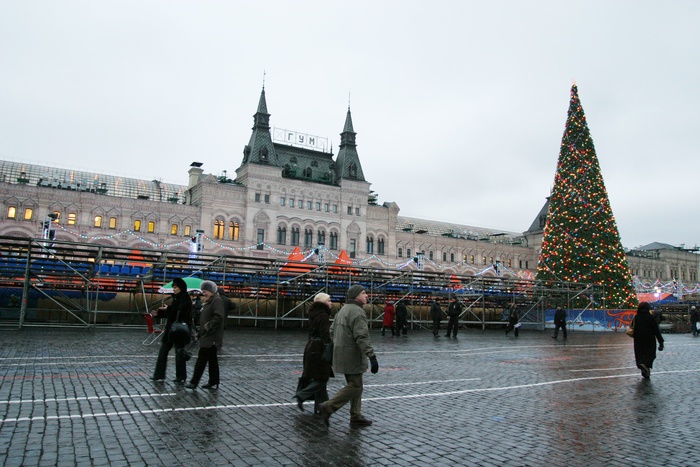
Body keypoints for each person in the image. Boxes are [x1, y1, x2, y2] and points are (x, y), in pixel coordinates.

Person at [319, 285, 379, 428]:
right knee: (355, 385)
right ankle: (329, 406)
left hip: (341, 354)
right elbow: (362, 336)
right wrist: (372, 356)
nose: (366, 296)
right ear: (355, 296)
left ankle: (356, 415)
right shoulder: (357, 312)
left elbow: (332, 330)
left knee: (357, 384)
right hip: (352, 355)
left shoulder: (343, 310)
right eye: (363, 293)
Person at [294, 292, 335, 413]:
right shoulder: (323, 315)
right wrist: (330, 346)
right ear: (323, 302)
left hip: (311, 347)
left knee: (320, 378)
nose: (331, 302)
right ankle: (302, 395)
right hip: (319, 348)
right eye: (329, 300)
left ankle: (321, 407)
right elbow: (325, 334)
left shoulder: (313, 313)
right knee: (322, 378)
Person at [152, 277, 193, 384]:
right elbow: (171, 313)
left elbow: (181, 313)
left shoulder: (186, 299)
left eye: (175, 287)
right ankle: (158, 374)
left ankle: (181, 376)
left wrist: (168, 309)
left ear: (181, 288)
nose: (174, 289)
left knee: (179, 353)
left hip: (179, 331)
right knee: (163, 351)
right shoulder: (176, 298)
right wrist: (159, 314)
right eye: (173, 287)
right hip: (171, 330)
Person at [186, 280, 225, 389]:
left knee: (201, 360)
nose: (204, 293)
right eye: (203, 291)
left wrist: (208, 326)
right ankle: (214, 380)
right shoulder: (210, 301)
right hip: (207, 334)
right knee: (212, 360)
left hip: (211, 336)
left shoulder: (216, 301)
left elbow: (219, 316)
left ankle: (194, 382)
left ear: (212, 291)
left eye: (206, 291)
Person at [632, 301, 664, 379]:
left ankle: (642, 365)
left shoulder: (636, 317)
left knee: (640, 354)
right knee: (650, 354)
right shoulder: (650, 317)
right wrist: (661, 342)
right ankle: (646, 366)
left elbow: (633, 327)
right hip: (649, 339)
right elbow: (656, 330)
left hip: (638, 339)